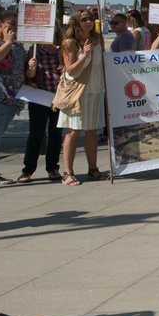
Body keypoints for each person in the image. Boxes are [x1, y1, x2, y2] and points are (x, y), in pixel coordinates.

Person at [57, 10, 107, 185]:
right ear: (76, 22)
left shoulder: (98, 39)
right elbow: (70, 69)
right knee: (73, 131)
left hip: (95, 89)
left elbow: (103, 62)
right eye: (84, 19)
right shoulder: (70, 43)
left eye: (91, 19)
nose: (89, 22)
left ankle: (92, 168)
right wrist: (84, 55)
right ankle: (68, 172)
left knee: (92, 130)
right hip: (77, 91)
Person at [0, 8, 28, 188]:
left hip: (13, 95)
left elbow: (22, 65)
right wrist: (7, 44)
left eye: (17, 25)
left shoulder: (16, 43)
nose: (14, 29)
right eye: (11, 25)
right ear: (0, 25)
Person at [19, 29, 63, 183]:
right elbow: (29, 76)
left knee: (56, 134)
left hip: (58, 98)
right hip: (39, 98)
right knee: (36, 134)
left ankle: (52, 168)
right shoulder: (35, 50)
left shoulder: (62, 50)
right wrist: (31, 68)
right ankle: (28, 170)